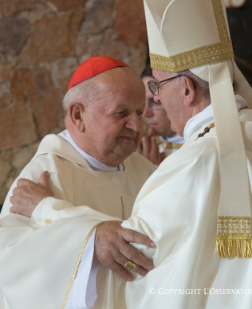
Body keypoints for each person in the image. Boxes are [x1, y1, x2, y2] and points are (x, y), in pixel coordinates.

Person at [8, 1, 252, 309]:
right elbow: (11, 268)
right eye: (121, 112)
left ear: (186, 89)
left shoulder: (190, 163)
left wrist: (47, 210)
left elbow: (132, 263)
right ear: (77, 116)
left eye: (157, 85)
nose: (151, 103)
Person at [0, 56, 157, 309]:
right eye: (121, 113)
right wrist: (90, 239)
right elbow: (10, 262)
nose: (137, 125)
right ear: (77, 115)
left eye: (139, 112)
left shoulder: (148, 172)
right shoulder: (45, 174)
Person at [137, 65, 184, 165]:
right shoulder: (140, 148)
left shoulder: (201, 145)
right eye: (142, 104)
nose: (145, 113)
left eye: (156, 102)